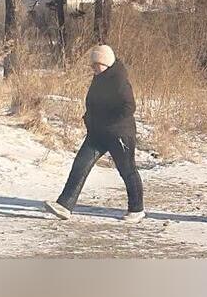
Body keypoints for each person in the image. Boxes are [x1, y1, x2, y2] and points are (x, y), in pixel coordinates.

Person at [44, 44, 145, 223]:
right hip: (97, 133)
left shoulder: (119, 80)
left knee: (127, 170)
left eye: (96, 64)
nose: (93, 68)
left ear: (106, 63)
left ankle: (137, 209)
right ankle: (65, 205)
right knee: (80, 165)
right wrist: (88, 118)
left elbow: (129, 107)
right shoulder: (98, 78)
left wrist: (109, 120)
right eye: (93, 65)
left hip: (119, 134)